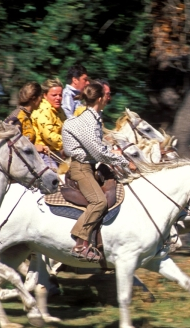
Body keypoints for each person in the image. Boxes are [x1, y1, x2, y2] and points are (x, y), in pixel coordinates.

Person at [62, 81, 136, 261]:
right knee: (99, 202)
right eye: (107, 95)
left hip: (89, 166)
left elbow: (98, 147)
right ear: (100, 98)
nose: (109, 98)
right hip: (81, 169)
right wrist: (124, 162)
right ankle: (80, 244)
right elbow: (97, 151)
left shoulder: (94, 117)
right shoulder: (87, 120)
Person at [4, 82, 49, 154]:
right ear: (34, 98)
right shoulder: (17, 117)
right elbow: (11, 146)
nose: (42, 100)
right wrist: (34, 148)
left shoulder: (27, 116)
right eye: (41, 96)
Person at [32, 78, 67, 170]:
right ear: (45, 95)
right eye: (54, 95)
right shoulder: (43, 110)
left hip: (56, 152)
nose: (58, 98)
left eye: (60, 95)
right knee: (56, 180)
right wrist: (69, 142)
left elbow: (67, 129)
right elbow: (49, 136)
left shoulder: (59, 111)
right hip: (43, 154)